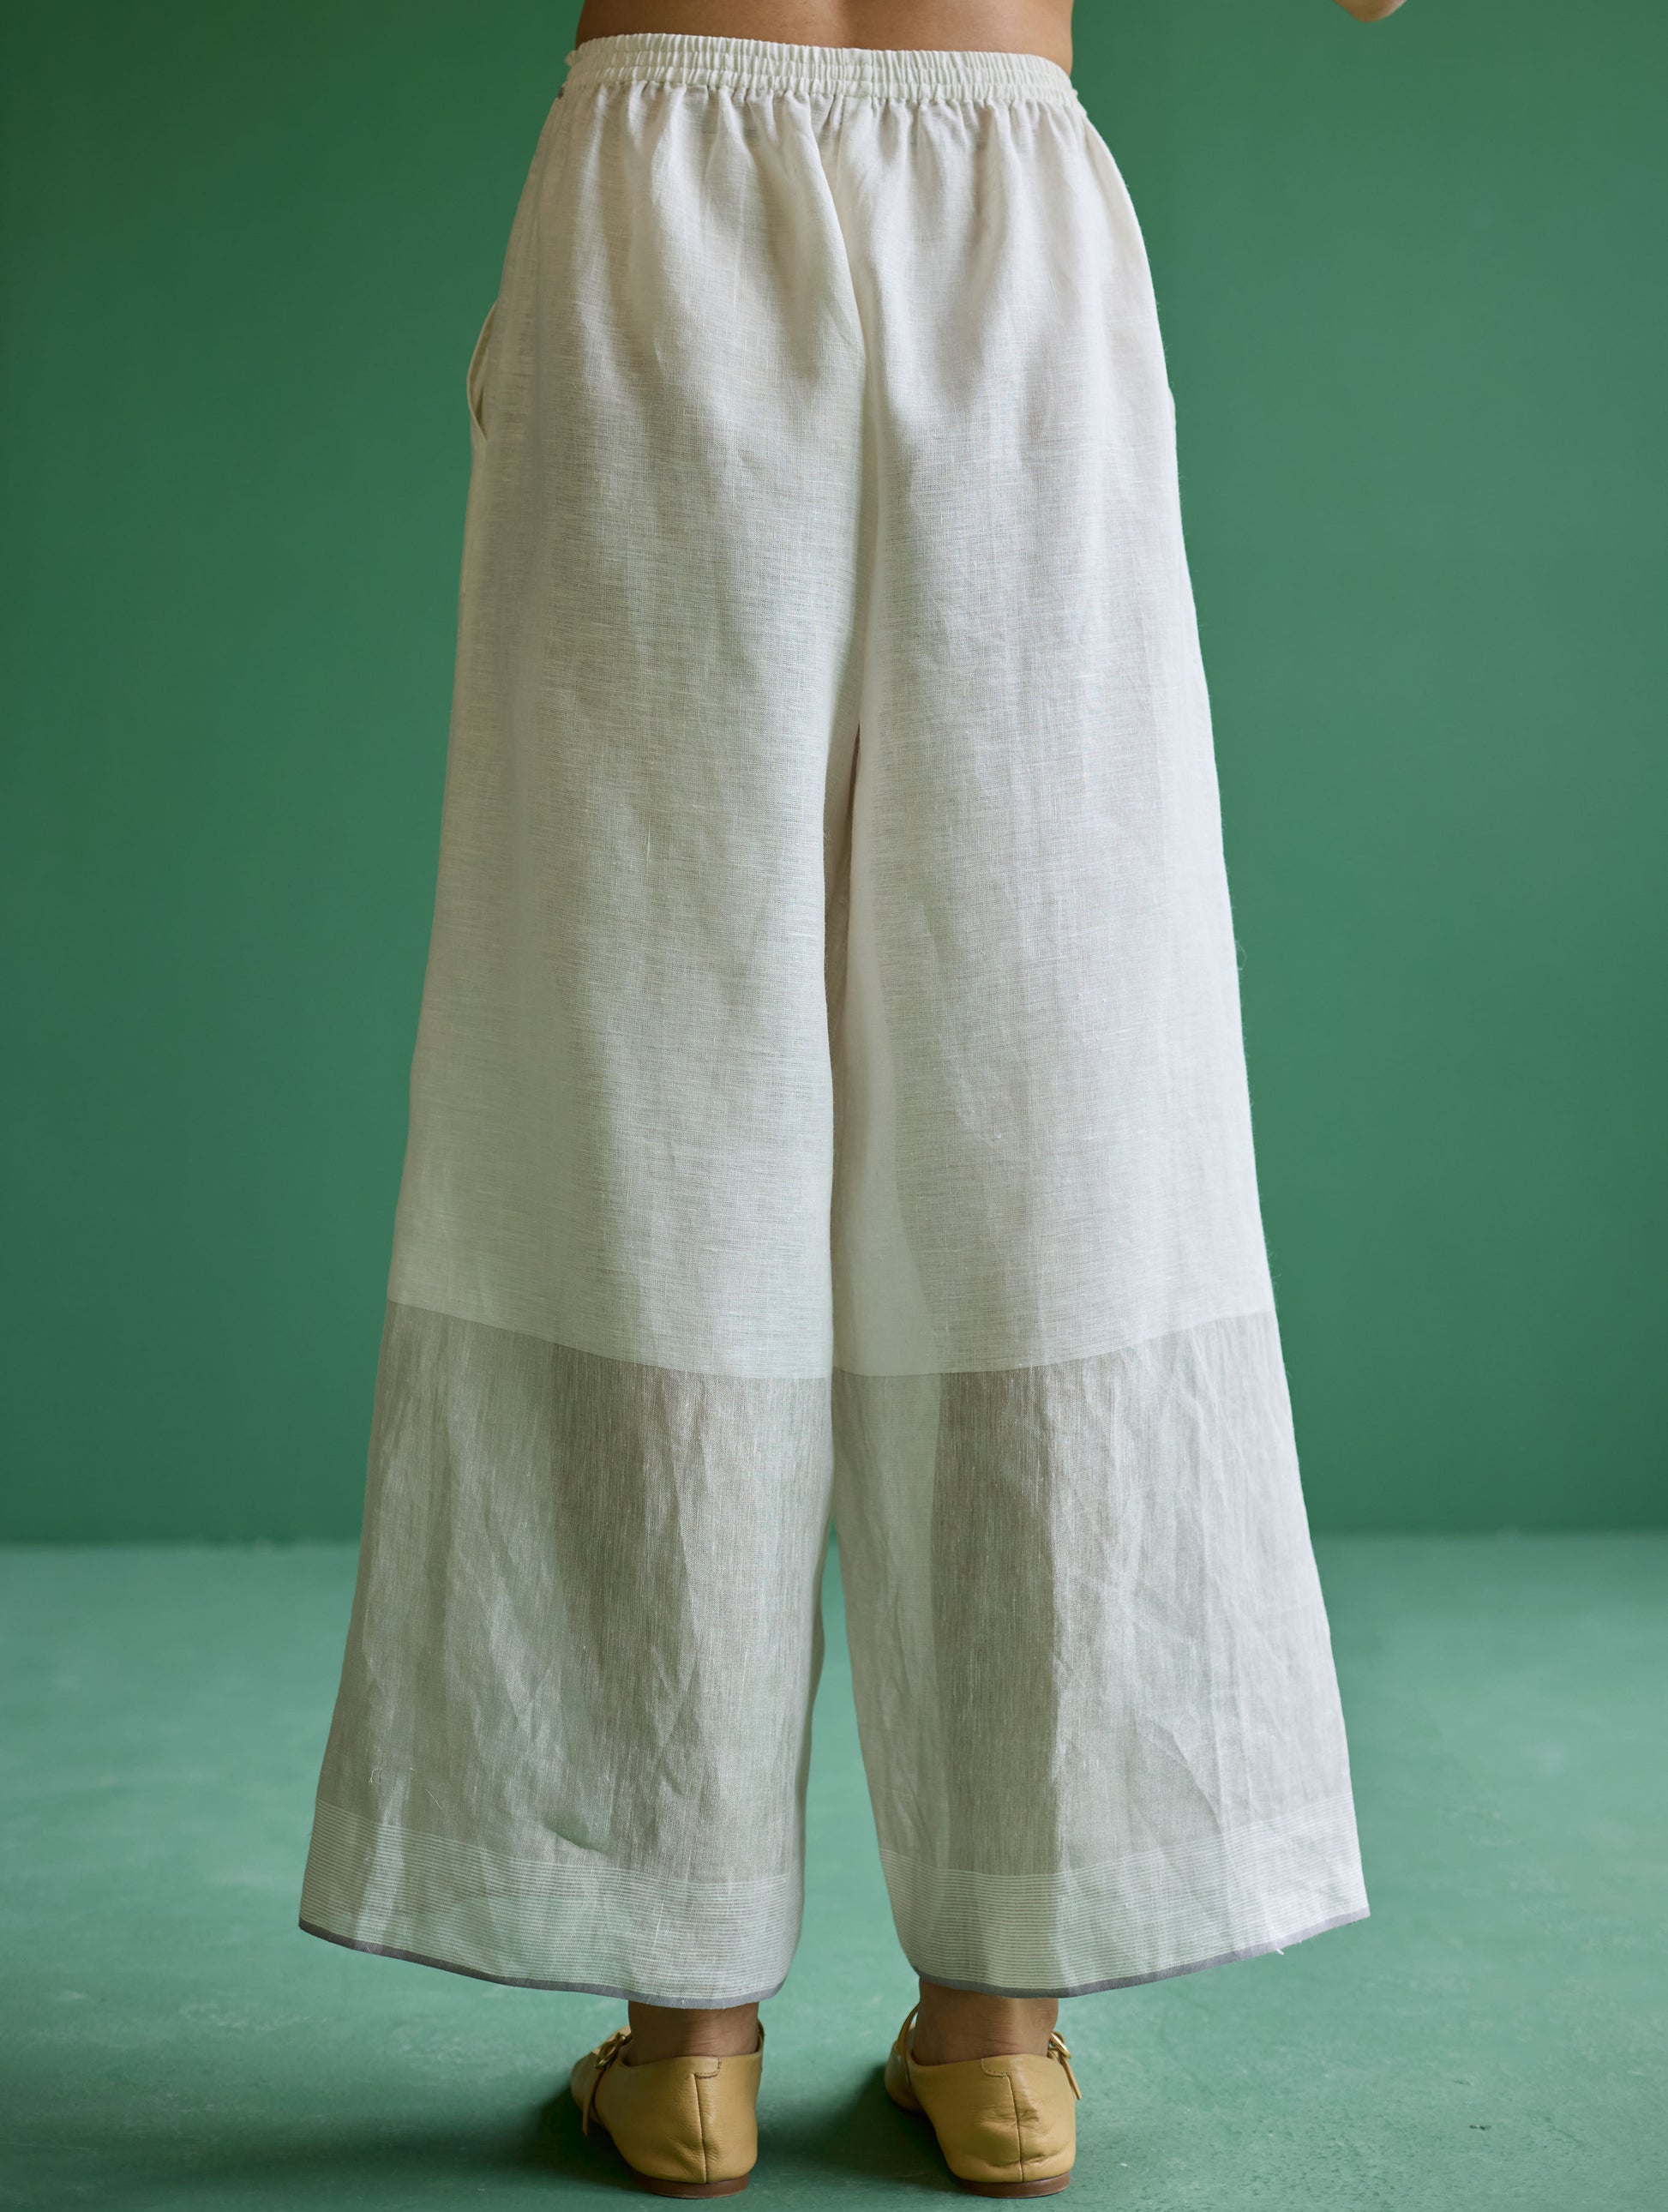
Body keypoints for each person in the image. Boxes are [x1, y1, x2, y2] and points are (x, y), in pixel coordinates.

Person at [301, 0, 1402, 2194]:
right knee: (1044, 1093)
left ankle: (684, 2032)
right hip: (1008, 206)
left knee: (630, 1092)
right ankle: (998, 2029)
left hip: (652, 192)